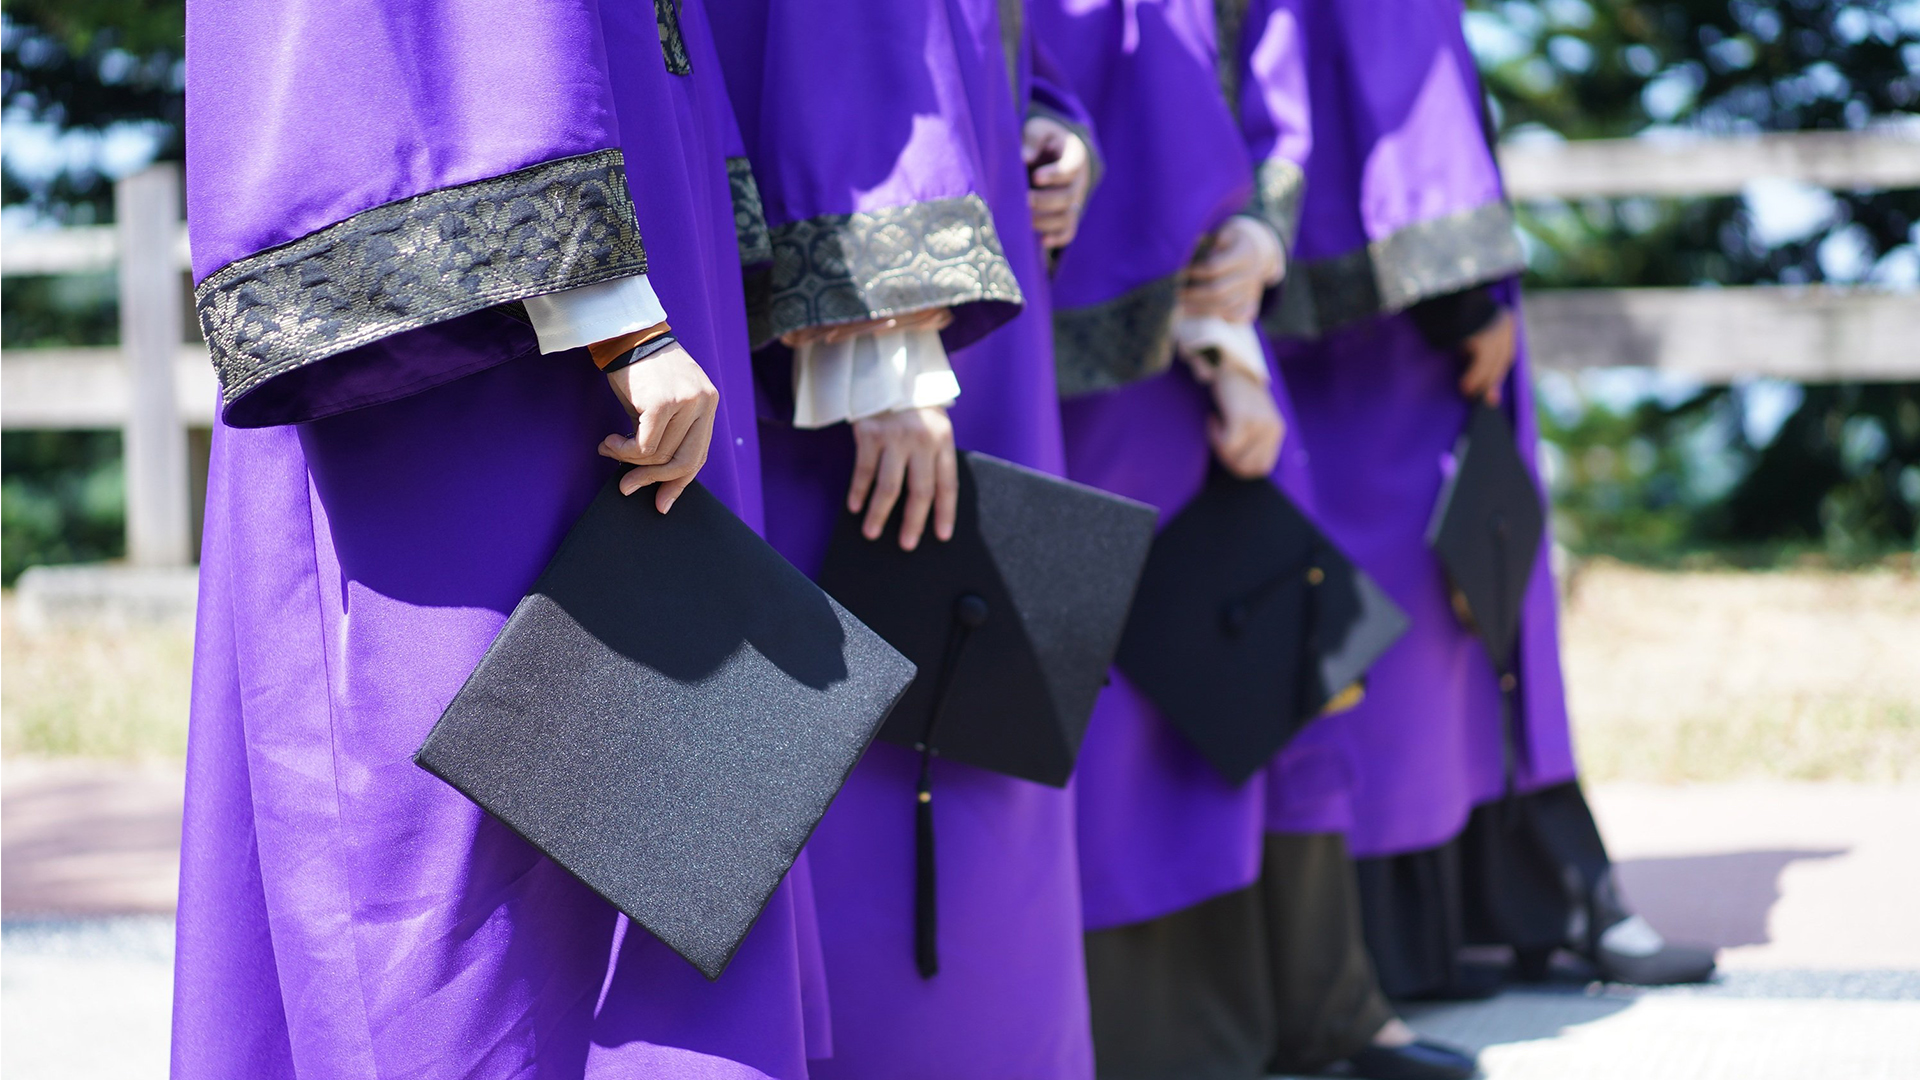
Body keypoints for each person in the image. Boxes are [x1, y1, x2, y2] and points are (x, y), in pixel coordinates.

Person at [171, 1, 834, 1076]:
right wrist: (612, 308)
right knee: (459, 859)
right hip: (486, 316)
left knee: (679, 841)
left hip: (633, 211)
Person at [1031, 2, 1476, 1078]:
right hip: (1073, 339)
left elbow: (1250, 94)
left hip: (1204, 328)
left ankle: (1325, 1004)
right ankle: (1174, 1038)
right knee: (1122, 709)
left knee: (1271, 662)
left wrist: (1259, 251)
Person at [1258, 0, 1718, 999]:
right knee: (1435, 614)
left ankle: (1471, 914)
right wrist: (1464, 296)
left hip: (1331, 292)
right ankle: (1524, 902)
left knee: (1436, 619)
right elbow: (1393, 55)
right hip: (1401, 314)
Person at [707, 2, 1100, 1077]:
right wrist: (882, 335)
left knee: (978, 739)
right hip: (859, 289)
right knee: (866, 757)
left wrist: (1051, 120)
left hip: (954, 236)